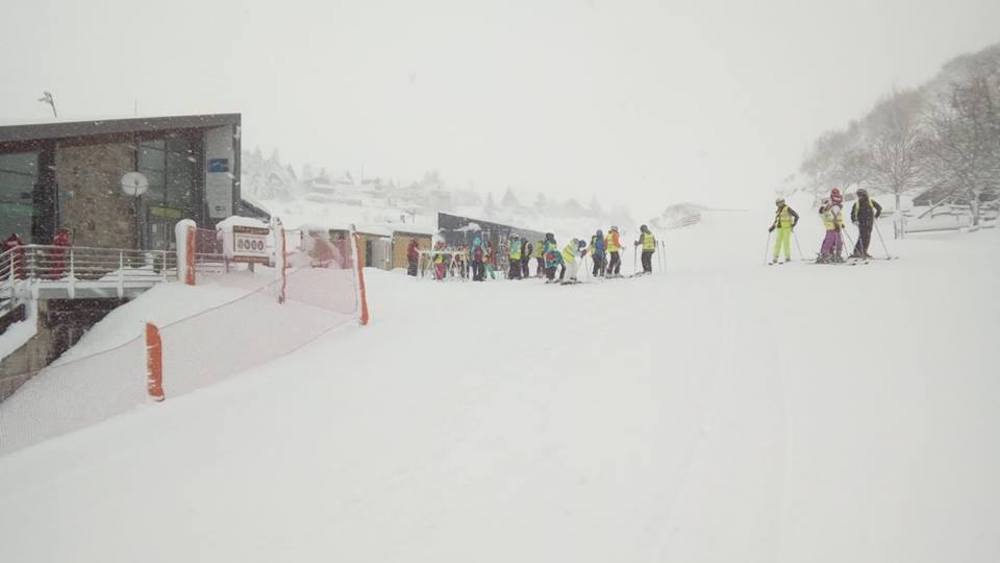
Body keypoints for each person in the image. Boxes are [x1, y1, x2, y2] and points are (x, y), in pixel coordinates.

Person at [850, 188, 882, 259]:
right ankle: (857, 251)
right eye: (859, 195)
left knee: (867, 237)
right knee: (862, 237)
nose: (860, 197)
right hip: (861, 223)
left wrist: (876, 216)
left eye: (861, 195)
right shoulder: (857, 203)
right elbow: (852, 213)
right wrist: (854, 220)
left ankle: (864, 251)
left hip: (869, 222)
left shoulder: (871, 201)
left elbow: (879, 208)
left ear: (865, 195)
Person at [768, 197, 799, 264]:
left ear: (783, 202)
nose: (779, 204)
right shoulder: (778, 210)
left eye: (780, 203)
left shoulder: (787, 208)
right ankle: (775, 257)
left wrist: (793, 224)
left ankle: (787, 257)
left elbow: (796, 216)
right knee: (777, 243)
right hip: (779, 228)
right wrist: (772, 227)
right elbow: (776, 220)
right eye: (778, 203)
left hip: (787, 228)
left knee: (786, 242)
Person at [817, 189, 845, 263]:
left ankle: (835, 255)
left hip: (836, 226)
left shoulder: (835, 205)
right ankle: (825, 255)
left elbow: (838, 216)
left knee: (838, 241)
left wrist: (840, 223)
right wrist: (836, 223)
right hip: (831, 226)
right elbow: (827, 215)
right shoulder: (829, 205)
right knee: (830, 241)